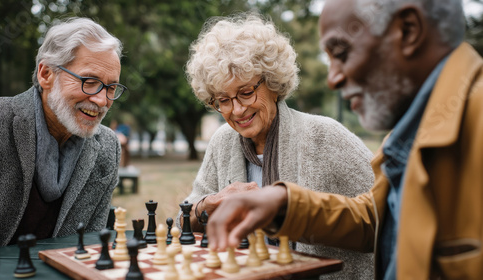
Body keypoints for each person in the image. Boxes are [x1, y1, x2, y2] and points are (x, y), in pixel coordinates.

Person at [206, 0, 482, 279]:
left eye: (342, 53)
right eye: (224, 99)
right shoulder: (412, 127)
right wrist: (282, 203)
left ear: (408, 31)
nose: (333, 78)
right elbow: (375, 218)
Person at [183, 13, 375, 279]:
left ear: (272, 82)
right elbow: (187, 216)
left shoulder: (325, 135)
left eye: (246, 92)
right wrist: (206, 204)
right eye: (222, 100)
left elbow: (385, 219)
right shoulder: (222, 141)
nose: (237, 110)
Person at [0, 17, 127, 249]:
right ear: (46, 74)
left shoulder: (108, 147)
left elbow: (90, 246)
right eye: (89, 81)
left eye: (111, 88)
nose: (102, 100)